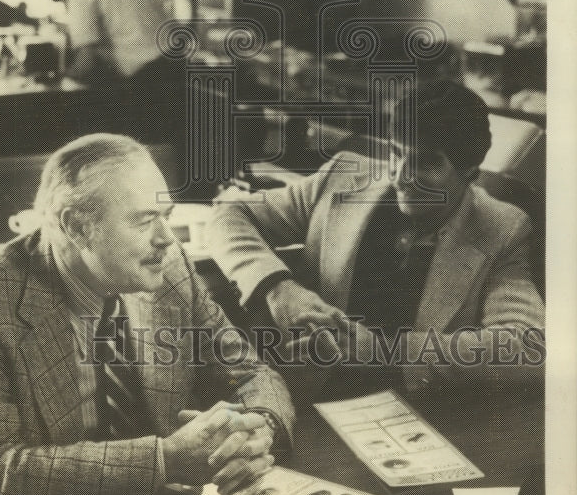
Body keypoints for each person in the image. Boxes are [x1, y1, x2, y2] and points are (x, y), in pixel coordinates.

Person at [0, 134, 293, 495]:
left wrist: (259, 429)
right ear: (77, 227)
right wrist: (165, 459)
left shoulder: (170, 270)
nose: (166, 239)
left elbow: (250, 372)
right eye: (143, 220)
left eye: (165, 216)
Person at [207, 80, 545, 395]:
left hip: (419, 413)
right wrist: (278, 288)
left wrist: (384, 351)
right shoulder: (342, 179)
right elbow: (230, 213)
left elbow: (529, 348)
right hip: (309, 395)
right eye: (397, 153)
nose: (401, 177)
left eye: (425, 163)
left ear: (469, 171)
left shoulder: (502, 228)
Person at [49, 0, 182, 95]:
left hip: (150, 75)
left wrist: (59, 77)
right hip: (178, 66)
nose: (66, 7)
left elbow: (86, 63)